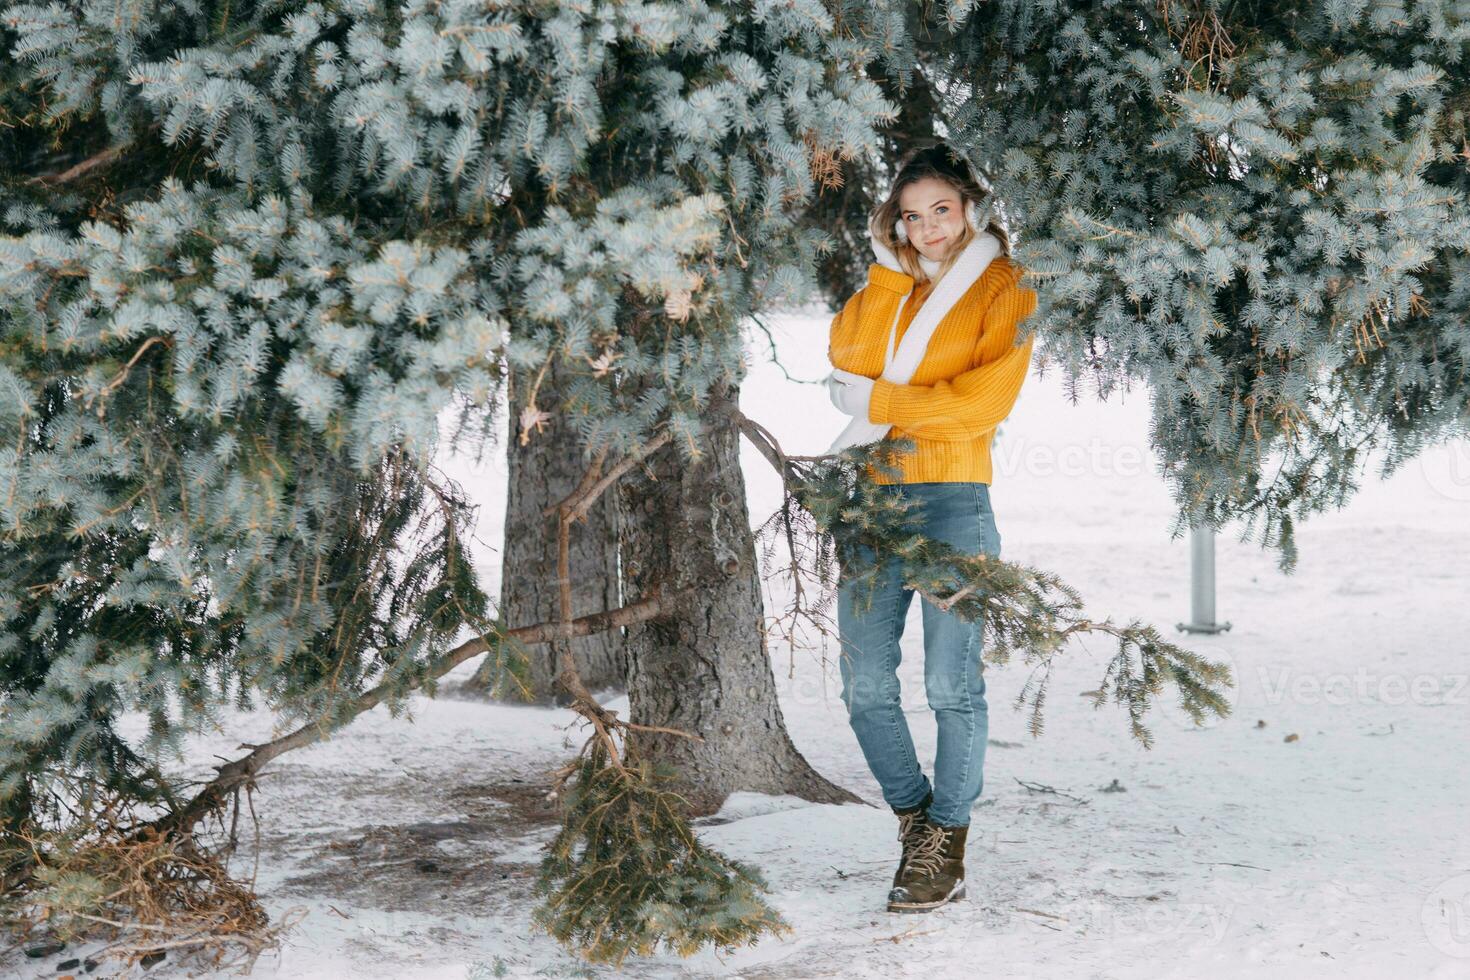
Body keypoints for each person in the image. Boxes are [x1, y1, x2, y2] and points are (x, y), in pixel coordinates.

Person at [824, 142, 1038, 913]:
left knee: (951, 683)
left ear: (970, 208)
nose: (927, 229)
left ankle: (949, 835)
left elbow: (981, 403)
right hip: (872, 499)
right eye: (910, 217)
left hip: (954, 499)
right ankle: (916, 818)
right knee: (865, 686)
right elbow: (846, 355)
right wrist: (885, 271)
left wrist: (881, 403)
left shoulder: (1004, 286)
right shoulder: (894, 285)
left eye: (940, 211)